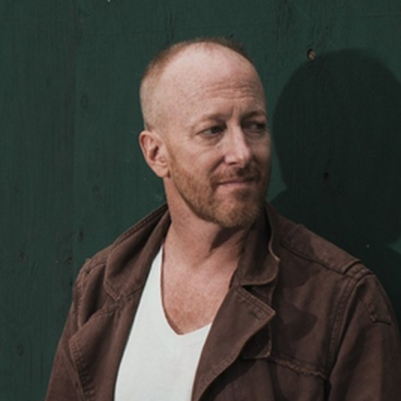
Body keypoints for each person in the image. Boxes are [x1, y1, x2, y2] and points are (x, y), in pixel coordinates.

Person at [46, 38, 401, 401]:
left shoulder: (341, 300)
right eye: (213, 130)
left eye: (254, 126)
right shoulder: (101, 288)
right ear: (156, 153)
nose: (242, 153)